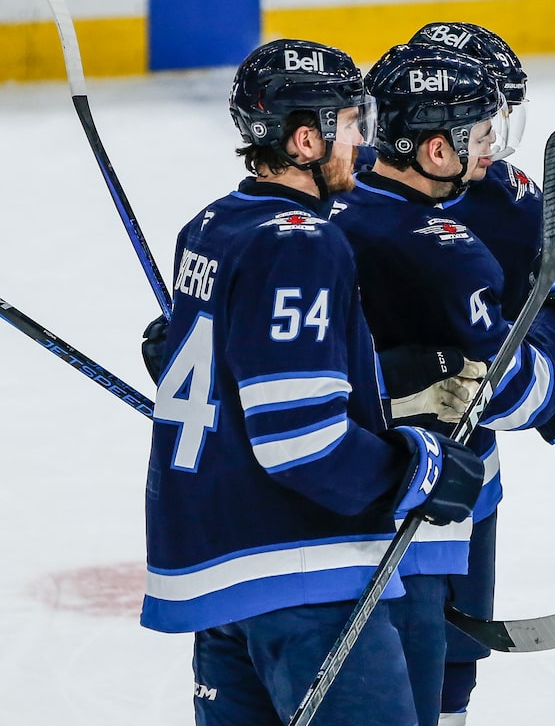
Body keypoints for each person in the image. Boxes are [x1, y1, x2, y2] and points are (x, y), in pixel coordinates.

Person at [139, 38, 485, 726]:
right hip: (301, 572)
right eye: (352, 125)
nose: (364, 145)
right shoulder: (303, 240)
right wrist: (418, 468)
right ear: (306, 139)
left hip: (221, 575)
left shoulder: (211, 225)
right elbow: (300, 442)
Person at [331, 40, 555, 726]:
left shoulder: (337, 184)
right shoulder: (457, 227)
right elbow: (515, 370)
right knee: (399, 673)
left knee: (437, 665)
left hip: (419, 464)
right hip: (399, 480)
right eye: (481, 130)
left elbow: (482, 354)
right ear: (434, 140)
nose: (492, 150)